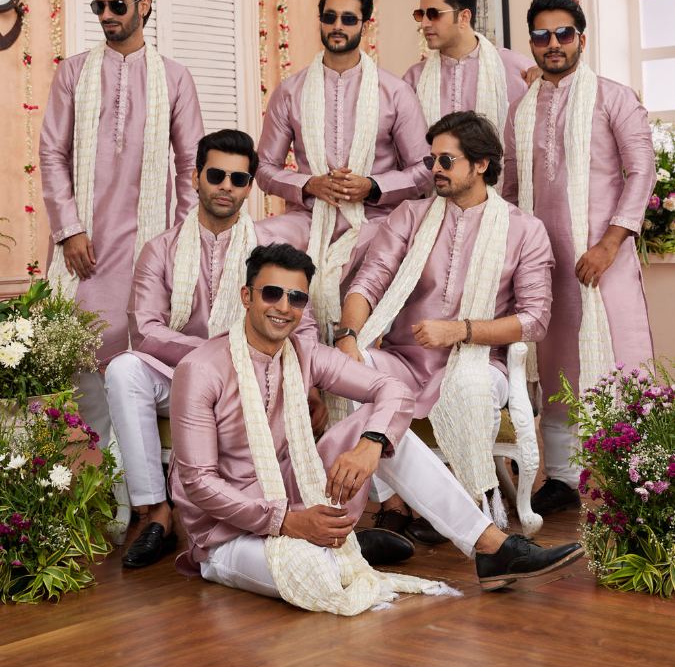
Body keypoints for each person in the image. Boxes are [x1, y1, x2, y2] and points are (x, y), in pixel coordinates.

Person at [169, 243, 582, 614]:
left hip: (299, 497)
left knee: (383, 432)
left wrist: (370, 443)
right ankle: (354, 547)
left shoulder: (303, 352)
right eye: (271, 293)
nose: (283, 306)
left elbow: (393, 389)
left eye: (296, 297)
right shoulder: (201, 370)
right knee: (322, 579)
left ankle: (492, 548)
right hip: (228, 533)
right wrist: (286, 523)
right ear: (247, 296)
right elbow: (199, 482)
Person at [106, 129, 326, 570]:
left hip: (260, 378)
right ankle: (157, 514)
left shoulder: (266, 251)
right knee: (124, 369)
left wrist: (309, 380)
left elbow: (304, 322)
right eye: (217, 174)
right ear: (196, 177)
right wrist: (221, 352)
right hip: (187, 376)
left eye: (239, 179)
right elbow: (145, 330)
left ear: (249, 188)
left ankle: (282, 512)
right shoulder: (160, 250)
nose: (227, 186)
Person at [336, 111, 553, 543]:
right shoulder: (410, 217)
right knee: (346, 368)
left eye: (446, 161)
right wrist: (348, 339)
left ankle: (473, 506)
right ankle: (394, 504)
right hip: (404, 359)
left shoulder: (524, 230)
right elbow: (368, 281)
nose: (434, 169)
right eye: (431, 160)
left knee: (469, 387)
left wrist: (462, 331)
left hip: (477, 361)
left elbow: (534, 319)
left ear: (481, 165)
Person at [502, 0, 655, 515]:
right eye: (542, 36)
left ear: (581, 39)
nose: (553, 44)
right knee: (554, 360)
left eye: (564, 33)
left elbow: (642, 172)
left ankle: (635, 469)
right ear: (532, 44)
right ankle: (564, 479)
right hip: (545, 263)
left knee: (619, 355)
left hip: (601, 258)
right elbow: (509, 187)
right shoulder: (521, 110)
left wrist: (610, 243)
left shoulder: (614, 97)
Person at [40, 0, 204, 445]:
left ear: (144, 6)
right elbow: (53, 152)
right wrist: (67, 229)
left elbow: (191, 166)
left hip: (144, 250)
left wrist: (177, 244)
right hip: (83, 250)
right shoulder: (74, 73)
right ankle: (86, 495)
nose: (106, 15)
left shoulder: (175, 79)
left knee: (133, 372)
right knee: (78, 369)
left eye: (117, 5)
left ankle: (137, 500)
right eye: (99, 5)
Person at [256, 0, 432, 339]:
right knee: (252, 239)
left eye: (348, 19)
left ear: (364, 25)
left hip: (374, 218)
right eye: (330, 17)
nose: (338, 26)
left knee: (353, 263)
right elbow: (263, 168)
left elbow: (424, 170)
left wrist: (373, 186)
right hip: (309, 215)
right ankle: (281, 353)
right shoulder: (290, 91)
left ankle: (348, 353)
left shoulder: (395, 92)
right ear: (320, 20)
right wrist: (309, 184)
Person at [403, 0, 531, 136]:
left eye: (434, 14)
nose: (424, 23)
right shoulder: (414, 79)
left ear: (464, 17)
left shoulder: (516, 70)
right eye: (421, 15)